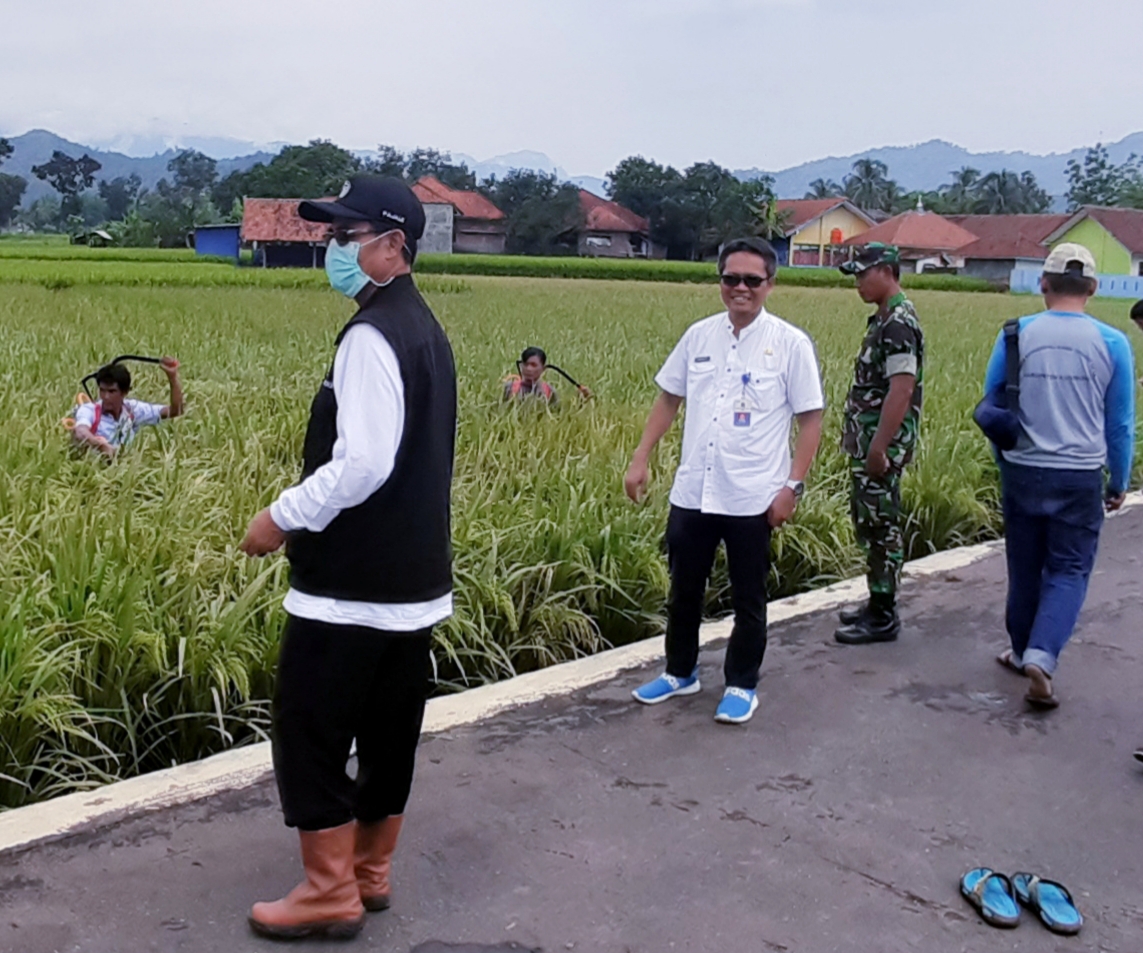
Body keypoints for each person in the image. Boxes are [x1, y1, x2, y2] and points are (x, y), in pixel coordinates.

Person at [239, 176, 457, 940]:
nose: (334, 248)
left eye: (345, 234)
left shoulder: (371, 337)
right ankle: (369, 870)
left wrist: (281, 514)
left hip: (350, 586)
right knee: (389, 730)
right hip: (413, 584)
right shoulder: (423, 327)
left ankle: (328, 888)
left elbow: (361, 462)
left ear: (392, 246)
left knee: (311, 731)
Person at [624, 237, 825, 725]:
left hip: (752, 495)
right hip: (695, 489)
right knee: (683, 589)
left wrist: (791, 487)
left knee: (747, 597)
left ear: (770, 285)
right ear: (720, 282)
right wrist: (640, 457)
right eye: (731, 278)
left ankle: (741, 684)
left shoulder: (790, 344)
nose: (740, 288)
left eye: (752, 280)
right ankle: (680, 671)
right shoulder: (699, 337)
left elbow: (811, 419)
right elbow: (669, 399)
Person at [984, 243, 1134, 709]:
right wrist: (1119, 480)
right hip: (1079, 475)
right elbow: (1120, 423)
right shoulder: (1113, 343)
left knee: (1024, 567)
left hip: (1023, 471)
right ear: (1092, 287)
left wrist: (1003, 460)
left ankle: (1019, 648)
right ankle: (1042, 656)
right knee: (1068, 569)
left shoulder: (1015, 335)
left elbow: (992, 406)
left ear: (1043, 283)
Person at [834, 244, 924, 645]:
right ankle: (876, 600)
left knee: (881, 523)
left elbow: (901, 390)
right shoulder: (885, 318)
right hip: (870, 440)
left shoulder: (899, 324)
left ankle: (884, 614)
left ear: (886, 272)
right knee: (869, 522)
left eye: (862, 274)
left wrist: (878, 448)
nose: (857, 283)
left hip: (879, 446)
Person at [71, 358, 184, 459]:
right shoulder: (89, 410)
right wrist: (101, 445)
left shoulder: (132, 410)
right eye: (102, 390)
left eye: (112, 391)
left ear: (124, 392)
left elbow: (175, 411)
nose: (106, 396)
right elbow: (80, 432)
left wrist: (172, 378)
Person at [503, 346, 592, 403]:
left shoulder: (549, 391)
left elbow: (560, 415)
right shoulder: (509, 388)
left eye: (534, 365)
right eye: (526, 364)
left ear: (543, 368)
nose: (529, 369)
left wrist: (582, 400)